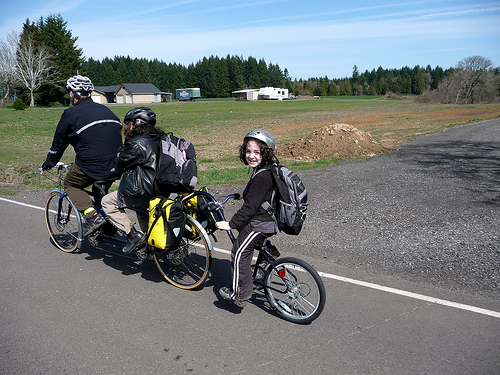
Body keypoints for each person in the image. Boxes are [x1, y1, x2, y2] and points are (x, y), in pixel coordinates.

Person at [41, 75, 123, 232]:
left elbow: (58, 144)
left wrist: (49, 162)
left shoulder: (70, 113)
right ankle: (108, 225)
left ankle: (92, 216)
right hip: (117, 163)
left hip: (92, 162)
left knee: (71, 184)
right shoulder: (106, 109)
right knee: (100, 187)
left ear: (73, 94)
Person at [216, 129, 279, 307]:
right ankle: (268, 257)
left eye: (256, 152)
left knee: (239, 252)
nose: (251, 156)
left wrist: (231, 224)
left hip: (261, 223)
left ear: (265, 153)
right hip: (267, 219)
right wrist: (243, 193)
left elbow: (250, 208)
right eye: (248, 151)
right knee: (246, 239)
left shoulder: (263, 177)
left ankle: (239, 292)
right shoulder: (264, 169)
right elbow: (257, 193)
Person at [101, 107, 165, 254]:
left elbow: (120, 162)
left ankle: (132, 235)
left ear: (137, 123)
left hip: (143, 188)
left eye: (128, 124)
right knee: (143, 210)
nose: (126, 128)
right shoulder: (160, 137)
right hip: (161, 187)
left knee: (107, 202)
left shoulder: (136, 142)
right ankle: (151, 243)